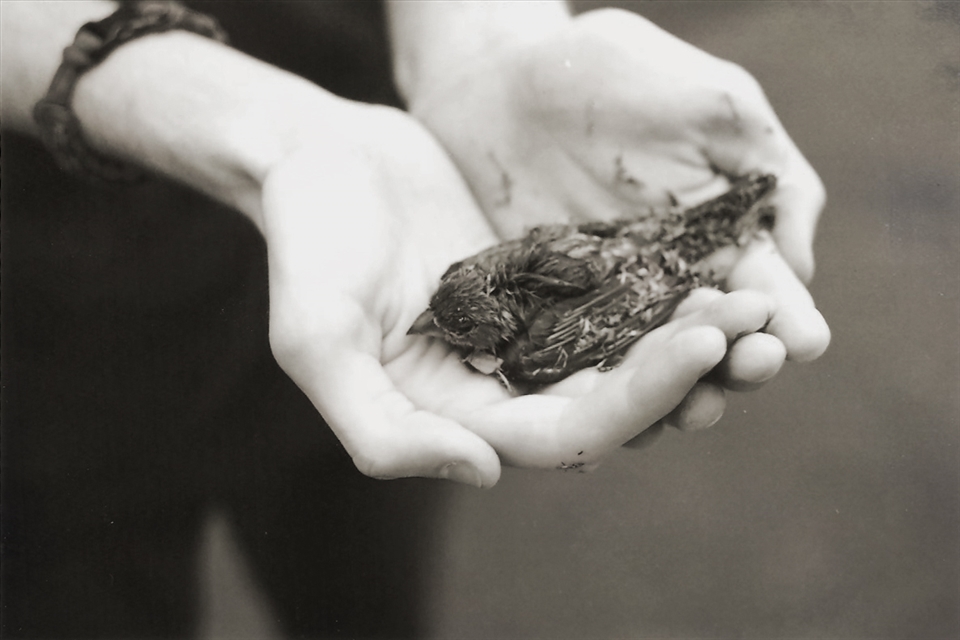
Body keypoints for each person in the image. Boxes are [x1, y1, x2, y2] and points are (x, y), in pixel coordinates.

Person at [1, 1, 829, 637]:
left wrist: (486, 44)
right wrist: (266, 132)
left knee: (365, 585)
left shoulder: (472, 300)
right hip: (51, 339)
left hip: (392, 229)